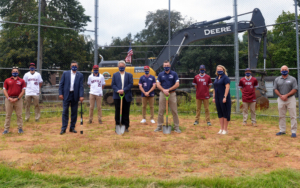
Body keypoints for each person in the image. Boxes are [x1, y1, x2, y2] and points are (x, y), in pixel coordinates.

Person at [154, 60, 181, 133]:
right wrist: (164, 90)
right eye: (165, 66)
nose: (166, 67)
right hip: (163, 94)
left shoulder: (174, 74)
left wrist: (168, 90)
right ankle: (159, 126)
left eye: (167, 65)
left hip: (172, 94)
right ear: (163, 66)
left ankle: (176, 127)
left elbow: (177, 84)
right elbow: (158, 84)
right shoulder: (160, 74)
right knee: (161, 110)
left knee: (174, 111)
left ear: (170, 66)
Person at [59, 61, 84, 135]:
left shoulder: (80, 75)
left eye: (75, 65)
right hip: (66, 95)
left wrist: (81, 95)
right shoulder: (65, 73)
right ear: (70, 66)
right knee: (65, 112)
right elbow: (61, 84)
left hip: (75, 95)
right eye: (73, 65)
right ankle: (63, 128)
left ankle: (72, 127)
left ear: (77, 67)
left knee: (74, 112)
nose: (74, 66)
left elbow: (81, 86)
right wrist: (60, 93)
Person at [274, 65, 298, 138]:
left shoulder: (293, 79)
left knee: (293, 116)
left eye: (285, 69)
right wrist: (281, 96)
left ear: (288, 70)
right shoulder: (277, 79)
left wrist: (286, 95)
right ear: (280, 71)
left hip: (290, 99)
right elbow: (275, 89)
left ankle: (293, 132)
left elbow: (295, 89)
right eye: (282, 69)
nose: (284, 70)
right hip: (281, 99)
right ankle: (282, 130)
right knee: (281, 116)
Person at [2, 67, 26, 134]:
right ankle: (6, 129)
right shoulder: (7, 80)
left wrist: (17, 98)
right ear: (11, 72)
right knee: (8, 115)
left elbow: (23, 90)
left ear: (18, 73)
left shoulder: (22, 81)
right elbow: (4, 90)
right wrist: (9, 98)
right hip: (9, 100)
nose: (15, 72)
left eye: (16, 71)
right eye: (13, 71)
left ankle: (20, 129)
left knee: (19, 115)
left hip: (18, 100)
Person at [111, 60, 133, 132]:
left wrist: (124, 90)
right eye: (120, 66)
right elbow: (113, 84)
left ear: (125, 67)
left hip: (126, 96)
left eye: (122, 66)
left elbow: (130, 84)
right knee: (117, 111)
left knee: (126, 111)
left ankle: (125, 126)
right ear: (118, 67)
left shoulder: (129, 75)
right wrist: (118, 90)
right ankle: (118, 125)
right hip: (117, 96)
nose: (121, 68)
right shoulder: (115, 75)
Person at [213, 65, 231, 135]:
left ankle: (225, 129)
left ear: (223, 70)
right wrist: (214, 97)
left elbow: (227, 87)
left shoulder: (225, 78)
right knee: (220, 113)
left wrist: (225, 97)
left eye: (221, 69)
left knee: (225, 113)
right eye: (218, 69)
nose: (219, 70)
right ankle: (221, 128)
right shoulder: (216, 78)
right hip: (217, 98)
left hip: (223, 98)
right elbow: (215, 88)